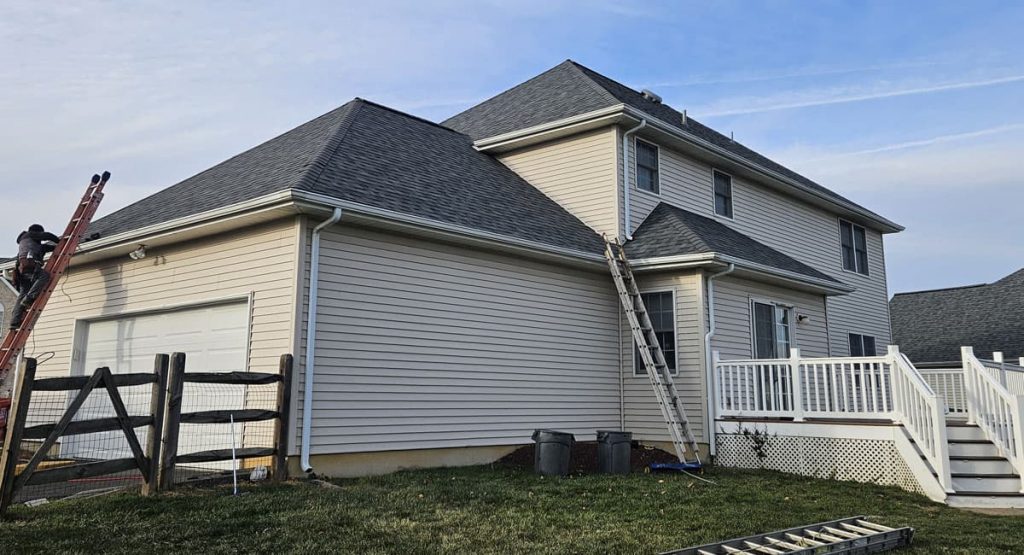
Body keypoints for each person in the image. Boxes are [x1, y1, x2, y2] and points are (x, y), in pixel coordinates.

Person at [9, 224, 60, 329]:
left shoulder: (28, 244)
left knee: (22, 293)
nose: (40, 238)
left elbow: (45, 247)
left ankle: (14, 322)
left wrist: (58, 246)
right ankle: (29, 299)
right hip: (30, 265)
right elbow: (48, 235)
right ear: (37, 232)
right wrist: (60, 241)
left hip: (22, 270)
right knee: (44, 276)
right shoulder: (29, 235)